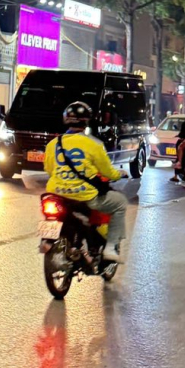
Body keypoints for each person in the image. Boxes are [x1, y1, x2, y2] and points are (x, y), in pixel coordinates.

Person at [43, 101, 129, 263]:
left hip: (56, 193)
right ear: (87, 121)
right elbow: (107, 172)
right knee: (120, 203)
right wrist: (119, 174)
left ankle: (49, 240)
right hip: (83, 196)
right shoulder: (94, 144)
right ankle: (110, 248)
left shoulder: (53, 144)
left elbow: (49, 169)